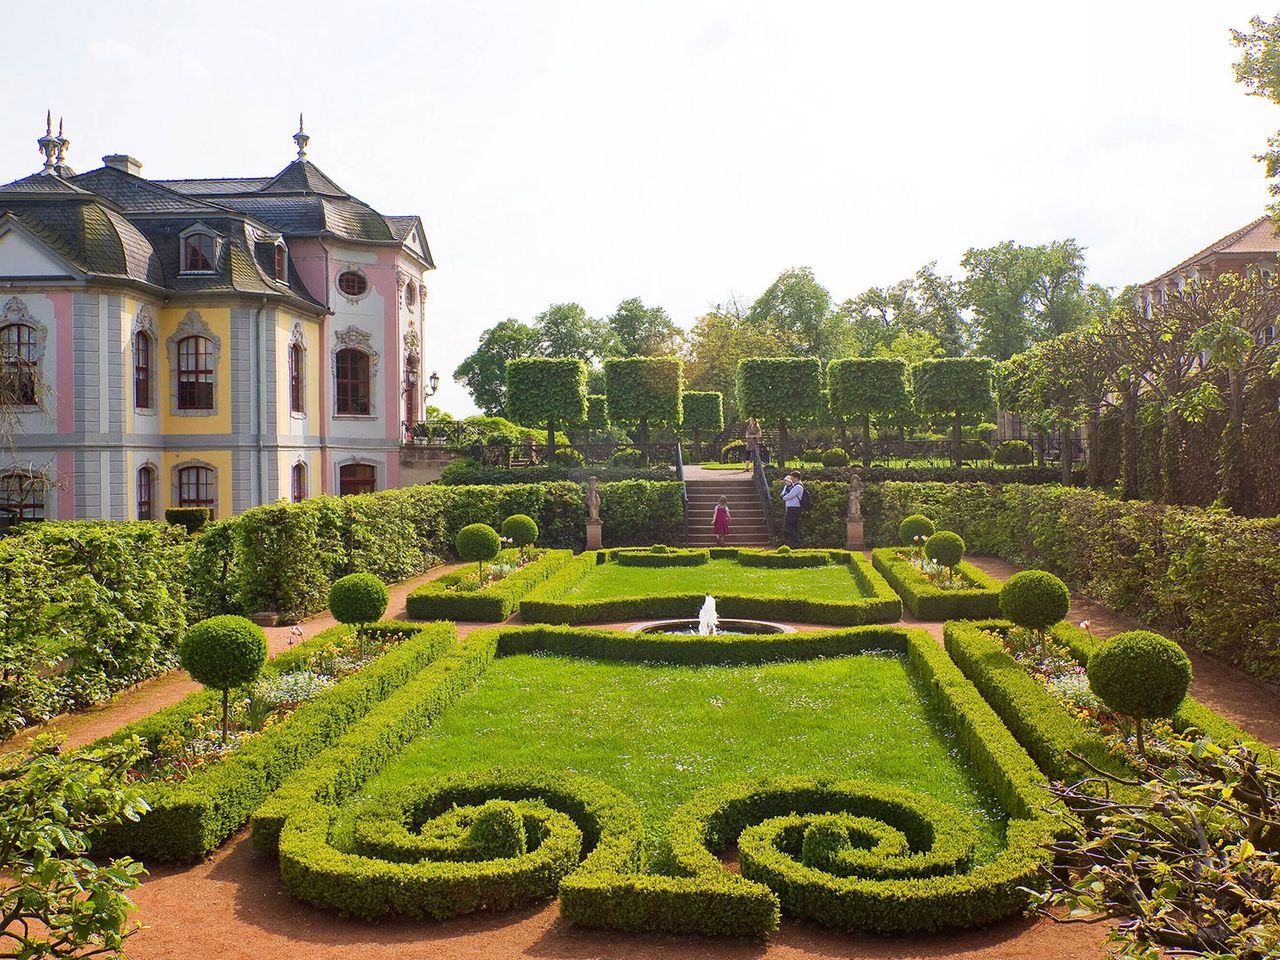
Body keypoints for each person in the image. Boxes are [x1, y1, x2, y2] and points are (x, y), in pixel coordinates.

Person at [780, 471, 805, 548]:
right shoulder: (796, 486)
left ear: (796, 477)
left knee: (788, 525)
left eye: (792, 478)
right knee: (793, 526)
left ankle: (797, 541)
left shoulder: (798, 487)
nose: (791, 479)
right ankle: (794, 543)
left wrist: (783, 497)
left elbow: (789, 496)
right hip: (792, 508)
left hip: (794, 509)